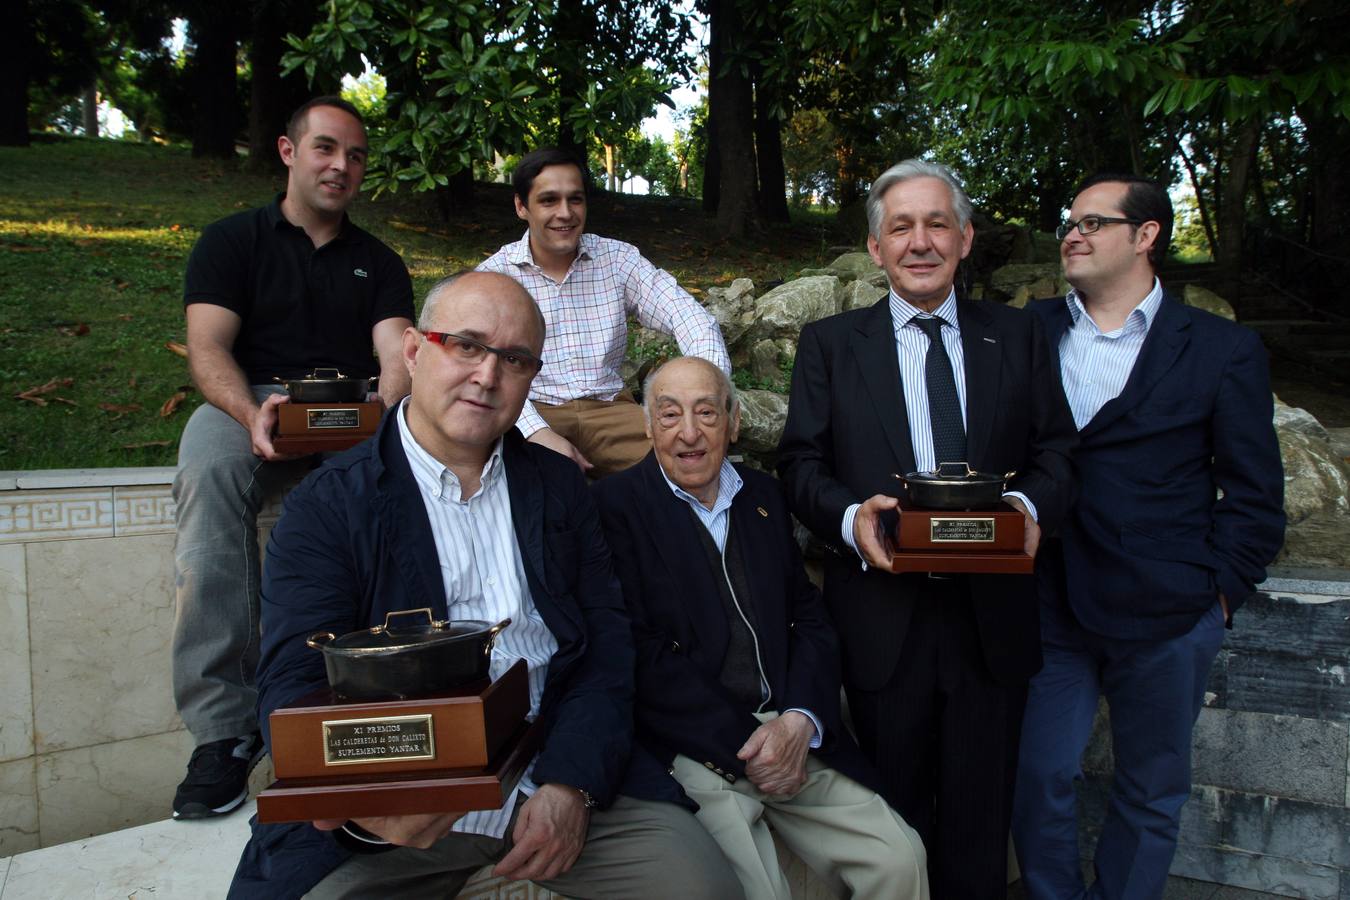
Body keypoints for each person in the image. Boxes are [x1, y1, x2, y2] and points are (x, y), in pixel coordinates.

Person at [228, 272, 743, 900]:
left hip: (551, 773)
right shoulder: (330, 506)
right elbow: (292, 680)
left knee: (702, 885)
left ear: (532, 378)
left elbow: (607, 650)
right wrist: (370, 811)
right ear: (414, 352)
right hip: (399, 814)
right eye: (465, 345)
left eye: (515, 358)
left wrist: (569, 786)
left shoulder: (559, 489)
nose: (487, 375)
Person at [776, 159, 1078, 897]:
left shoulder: (1018, 337)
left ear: (966, 238)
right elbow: (800, 464)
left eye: (937, 223)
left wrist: (1029, 512)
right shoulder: (832, 343)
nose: (920, 241)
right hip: (883, 624)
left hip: (992, 625)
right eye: (900, 227)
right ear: (876, 249)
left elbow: (1059, 453)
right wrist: (852, 519)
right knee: (892, 828)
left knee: (980, 833)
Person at [1013, 174, 1285, 899]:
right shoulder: (1025, 332)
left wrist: (1217, 597)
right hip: (1050, 604)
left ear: (1146, 235)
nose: (1072, 234)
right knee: (1039, 774)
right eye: (1069, 222)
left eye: (1093, 222)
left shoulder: (1221, 349)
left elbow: (1256, 495)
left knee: (1151, 789)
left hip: (1168, 610)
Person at [593, 356, 930, 900]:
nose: (689, 432)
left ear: (734, 421)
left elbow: (810, 618)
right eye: (670, 413)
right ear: (647, 425)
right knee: (756, 890)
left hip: (787, 729)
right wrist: (747, 741)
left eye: (706, 412)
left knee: (898, 858)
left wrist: (799, 722)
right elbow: (638, 652)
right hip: (694, 744)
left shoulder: (763, 497)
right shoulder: (614, 507)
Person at [170, 96, 414, 820]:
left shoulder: (379, 261)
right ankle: (223, 732)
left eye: (357, 155)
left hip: (355, 407)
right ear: (288, 151)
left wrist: (386, 419)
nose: (342, 166)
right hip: (252, 401)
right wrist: (250, 413)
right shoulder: (232, 241)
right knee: (210, 471)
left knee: (402, 480)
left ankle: (381, 699)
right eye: (326, 149)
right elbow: (208, 349)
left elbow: (396, 353)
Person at [477, 147, 730, 477]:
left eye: (576, 199)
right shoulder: (494, 277)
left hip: (611, 411)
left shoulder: (616, 259)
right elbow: (484, 371)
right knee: (515, 482)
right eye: (549, 200)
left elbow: (690, 318)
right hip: (529, 408)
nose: (565, 213)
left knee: (688, 463)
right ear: (521, 206)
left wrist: (704, 397)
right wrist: (536, 431)